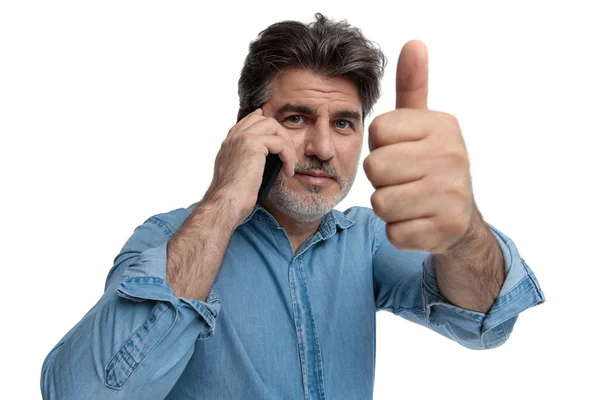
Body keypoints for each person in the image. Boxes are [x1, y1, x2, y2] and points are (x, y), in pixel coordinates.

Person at [40, 13, 545, 400]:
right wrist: (222, 203)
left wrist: (462, 230)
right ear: (246, 125)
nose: (323, 148)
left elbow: (485, 321)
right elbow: (83, 391)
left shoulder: (368, 240)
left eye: (344, 123)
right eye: (298, 117)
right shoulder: (167, 238)